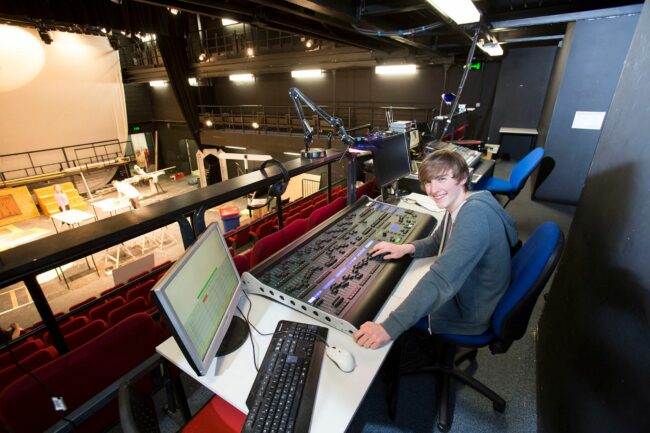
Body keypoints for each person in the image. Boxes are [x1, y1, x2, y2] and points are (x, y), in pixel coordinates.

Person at [353, 150, 518, 349]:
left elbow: (442, 280)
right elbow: (437, 240)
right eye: (428, 182)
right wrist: (405, 248)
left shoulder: (474, 216)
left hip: (470, 314)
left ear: (463, 177)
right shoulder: (463, 202)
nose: (433, 189)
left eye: (441, 179)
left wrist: (389, 327)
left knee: (391, 304)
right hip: (473, 293)